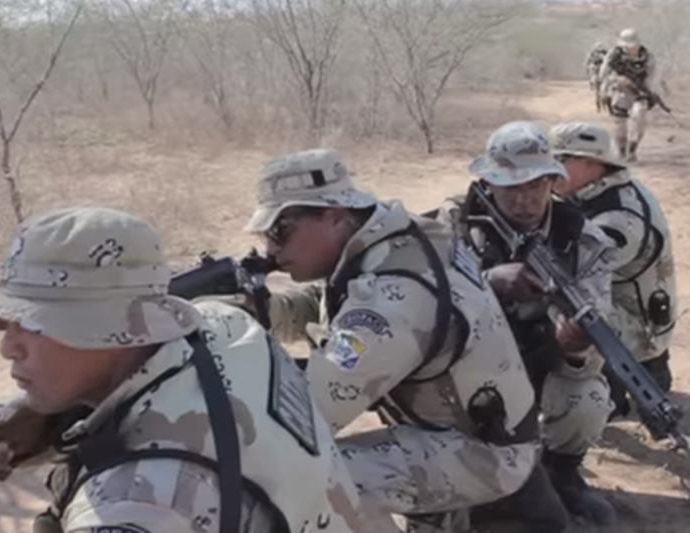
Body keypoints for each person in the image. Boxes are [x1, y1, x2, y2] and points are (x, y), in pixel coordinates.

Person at [0, 206, 379, 533]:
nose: (7, 347)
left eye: (33, 325)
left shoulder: (136, 504)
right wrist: (20, 431)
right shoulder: (226, 324)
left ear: (107, 330)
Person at [243, 148, 549, 533]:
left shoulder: (391, 300)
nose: (270, 250)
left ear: (334, 215)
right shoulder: (391, 240)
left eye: (280, 231)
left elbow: (305, 420)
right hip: (458, 428)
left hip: (484, 453)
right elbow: (325, 305)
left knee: (308, 479)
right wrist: (256, 309)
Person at [432, 121, 618, 526]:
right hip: (463, 365)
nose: (524, 200)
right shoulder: (453, 223)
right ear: (487, 182)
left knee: (586, 396)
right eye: (509, 186)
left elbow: (594, 338)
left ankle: (562, 475)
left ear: (553, 180)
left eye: (535, 184)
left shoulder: (584, 240)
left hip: (537, 361)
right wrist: (487, 284)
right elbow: (422, 300)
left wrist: (574, 348)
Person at [549, 121, 677, 416]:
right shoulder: (598, 190)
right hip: (629, 307)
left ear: (592, 163)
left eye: (559, 160)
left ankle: (599, 398)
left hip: (637, 328)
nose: (549, 170)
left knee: (548, 312)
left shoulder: (620, 218)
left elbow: (571, 271)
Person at [598, 28, 658, 162]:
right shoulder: (614, 56)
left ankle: (632, 149)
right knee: (620, 123)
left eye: (634, 45)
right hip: (620, 91)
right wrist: (618, 80)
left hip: (639, 91)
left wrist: (648, 90)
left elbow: (651, 76)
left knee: (640, 115)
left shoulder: (647, 56)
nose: (632, 49)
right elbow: (604, 74)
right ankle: (621, 150)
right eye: (629, 46)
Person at [584, 42, 608, 111]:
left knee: (600, 91)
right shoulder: (593, 55)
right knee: (598, 91)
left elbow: (587, 64)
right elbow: (587, 64)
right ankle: (600, 106)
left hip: (601, 73)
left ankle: (601, 105)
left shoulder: (605, 54)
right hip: (597, 73)